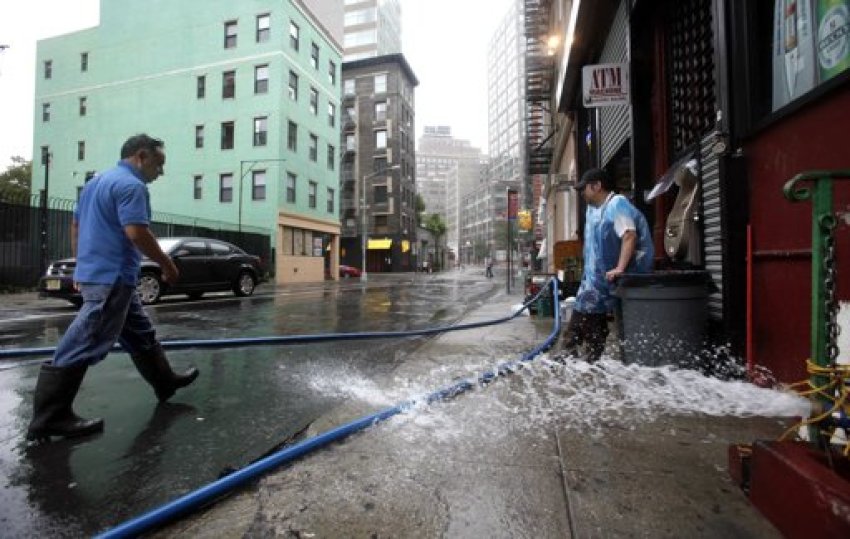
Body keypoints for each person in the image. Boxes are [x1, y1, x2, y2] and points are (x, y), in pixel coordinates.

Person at [26, 134, 199, 442]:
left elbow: (76, 224)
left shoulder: (96, 182)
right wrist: (167, 265)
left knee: (139, 331)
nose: (161, 172)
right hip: (112, 277)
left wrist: (81, 264)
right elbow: (136, 232)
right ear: (141, 156)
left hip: (100, 273)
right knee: (85, 338)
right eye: (159, 164)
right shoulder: (132, 186)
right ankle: (51, 416)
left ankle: (165, 381)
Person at [561, 168, 654, 362]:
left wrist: (620, 268)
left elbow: (629, 235)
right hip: (597, 281)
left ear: (596, 186)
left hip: (613, 279)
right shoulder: (594, 210)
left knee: (582, 324)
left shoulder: (617, 204)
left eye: (584, 188)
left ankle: (578, 362)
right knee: (590, 323)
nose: (581, 193)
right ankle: (584, 362)